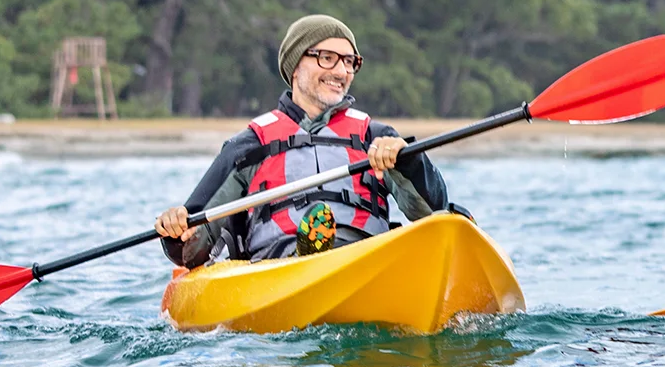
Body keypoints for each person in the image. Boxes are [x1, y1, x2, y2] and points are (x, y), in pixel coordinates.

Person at [152, 15, 452, 267]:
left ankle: (333, 257)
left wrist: (408, 160)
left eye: (349, 62)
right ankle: (310, 255)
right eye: (327, 58)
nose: (341, 71)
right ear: (296, 66)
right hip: (280, 268)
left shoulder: (376, 137)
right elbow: (192, 247)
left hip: (368, 258)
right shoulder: (248, 146)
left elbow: (433, 210)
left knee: (450, 217)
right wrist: (176, 230)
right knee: (299, 253)